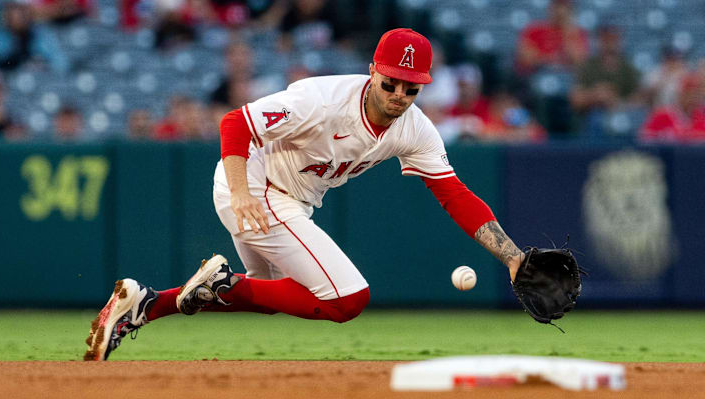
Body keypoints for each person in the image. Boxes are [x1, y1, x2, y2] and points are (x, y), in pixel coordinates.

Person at [84, 28, 526, 361]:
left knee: (268, 294)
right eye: (391, 81)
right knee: (348, 299)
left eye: (411, 87)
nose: (399, 94)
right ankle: (212, 283)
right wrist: (241, 194)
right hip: (255, 187)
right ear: (373, 70)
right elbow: (235, 124)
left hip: (287, 201)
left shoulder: (416, 129)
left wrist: (512, 258)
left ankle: (143, 304)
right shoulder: (324, 99)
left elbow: (454, 194)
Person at [569, 24, 640, 138]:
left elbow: (640, 101)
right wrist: (596, 95)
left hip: (622, 116)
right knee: (596, 118)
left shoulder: (628, 69)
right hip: (594, 117)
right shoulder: (588, 66)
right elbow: (575, 100)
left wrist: (615, 101)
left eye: (613, 38)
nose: (610, 43)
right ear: (599, 40)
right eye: (606, 38)